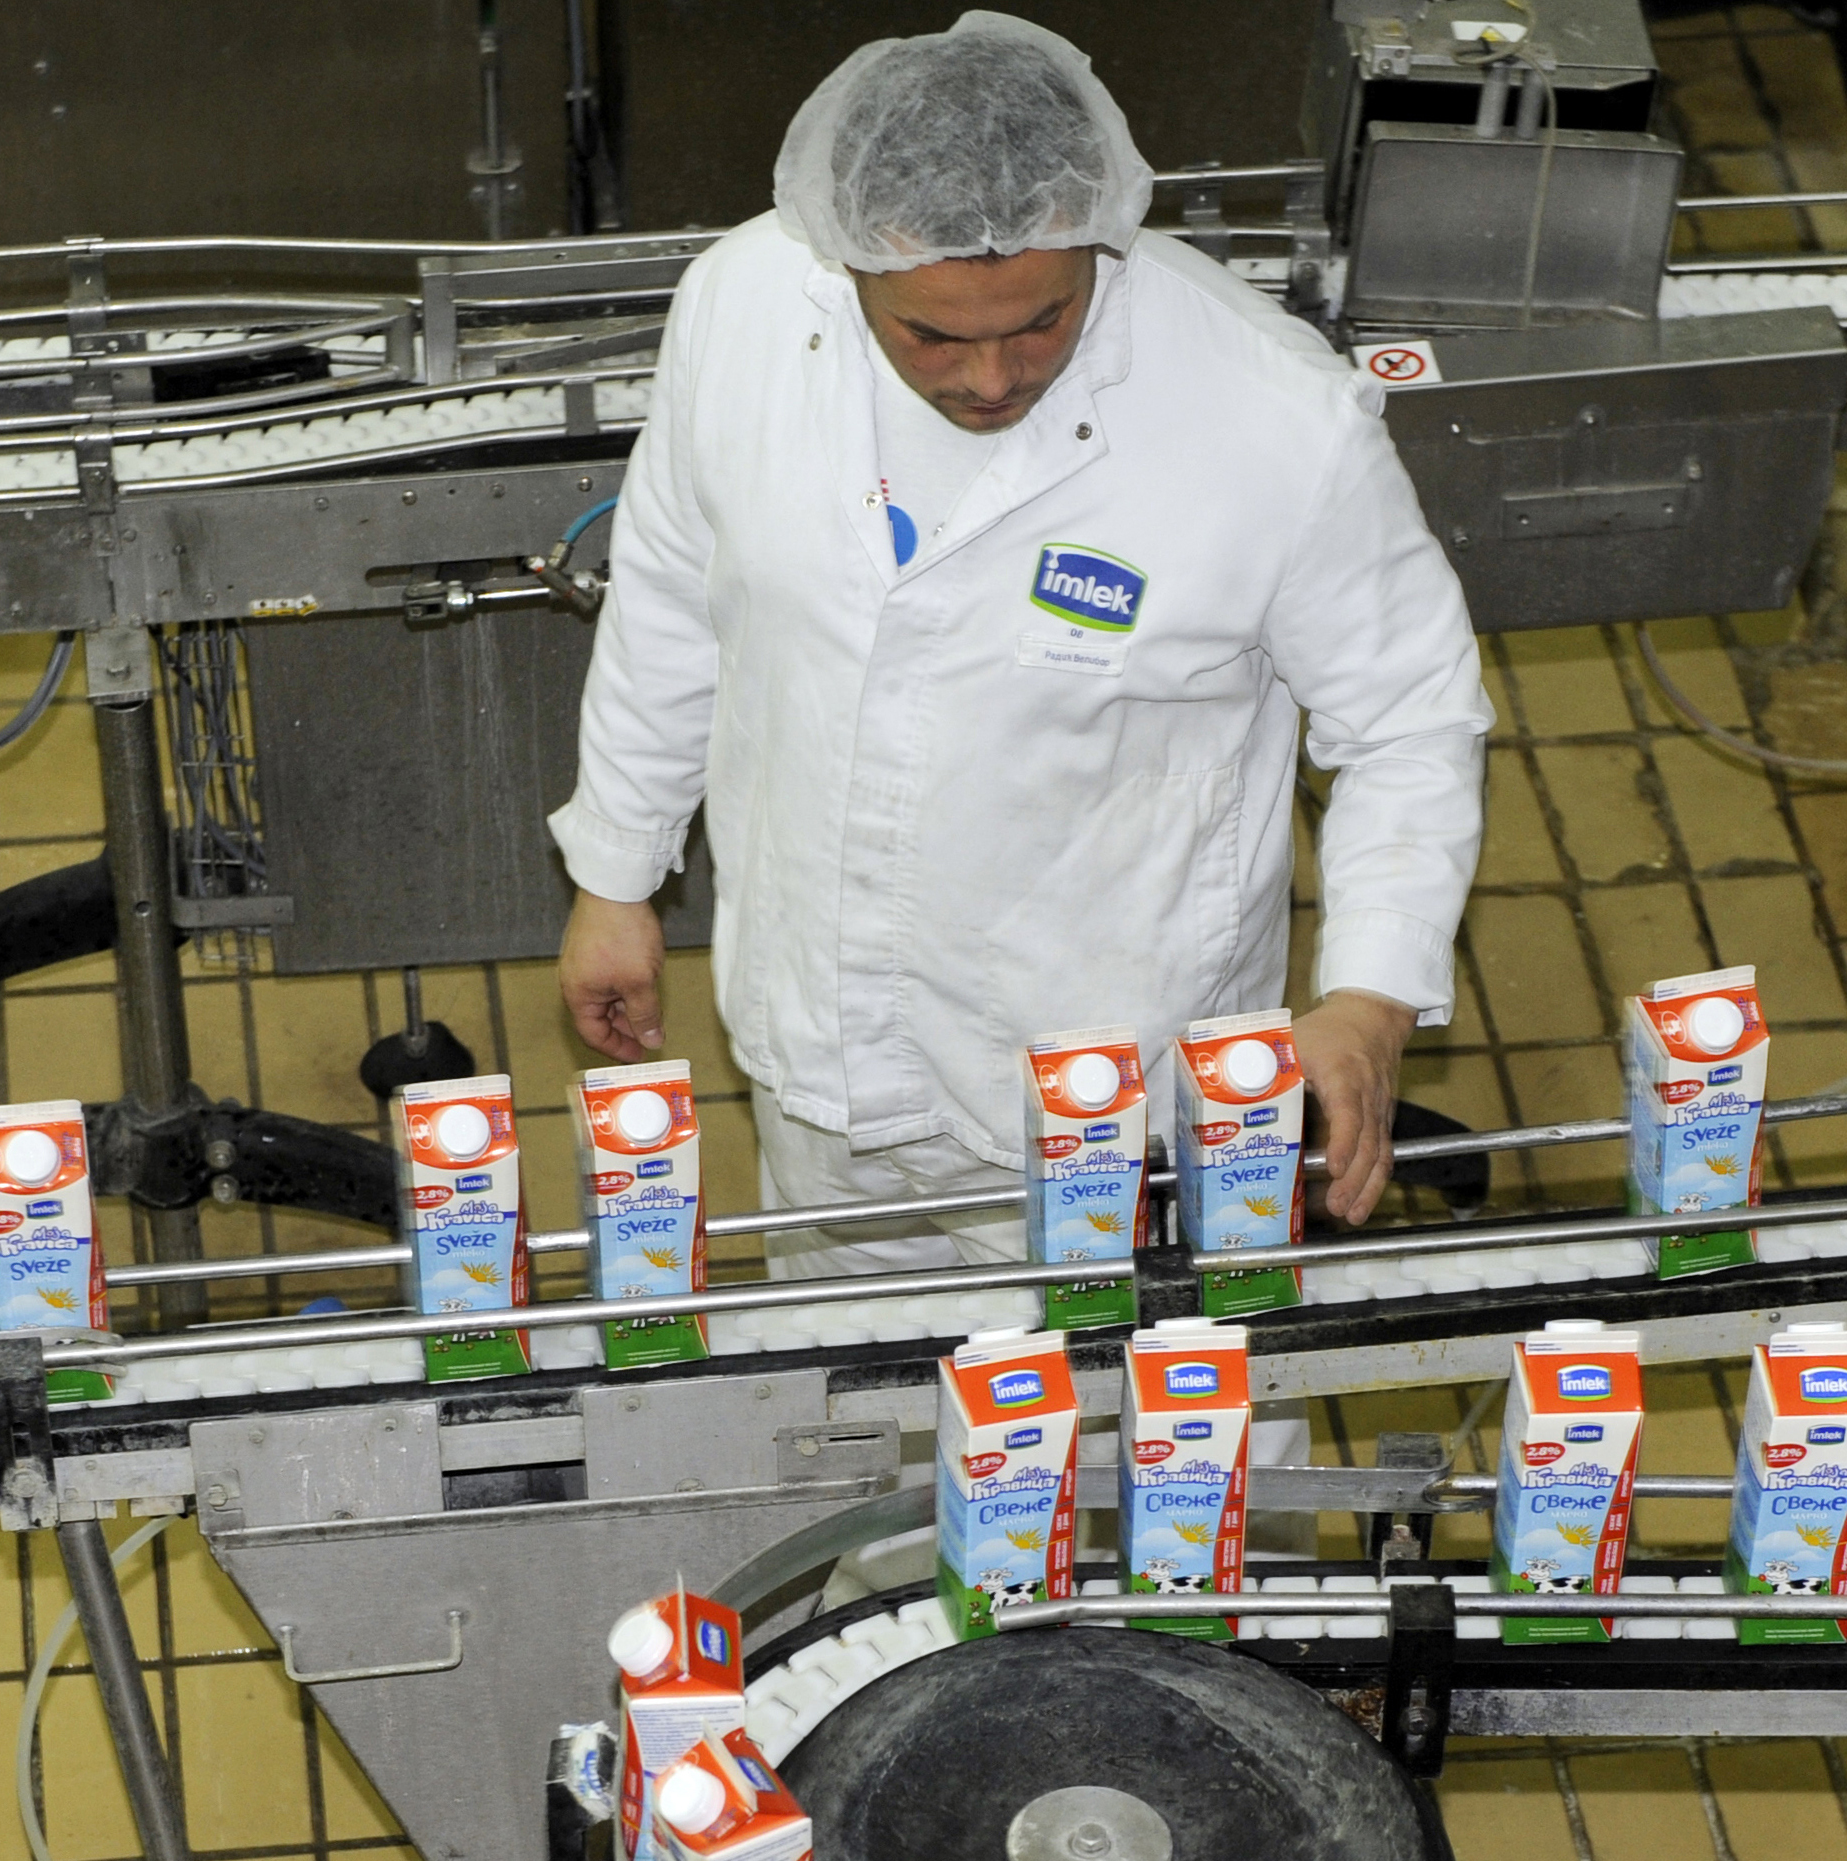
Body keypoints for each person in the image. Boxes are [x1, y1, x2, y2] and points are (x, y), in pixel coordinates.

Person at [550, 10, 1488, 1274]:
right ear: (844, 263)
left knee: (1180, 1437)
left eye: (1038, 322)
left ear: (1099, 238)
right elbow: (669, 586)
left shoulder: (1273, 421)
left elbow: (1410, 722)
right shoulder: (745, 309)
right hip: (824, 1059)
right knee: (856, 1407)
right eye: (933, 335)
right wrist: (617, 873)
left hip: (1122, 1098)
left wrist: (1369, 997)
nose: (989, 376)